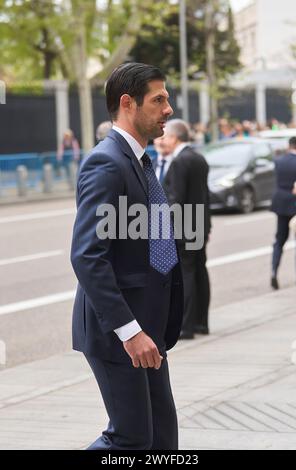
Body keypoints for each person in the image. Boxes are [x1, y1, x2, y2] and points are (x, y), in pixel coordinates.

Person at [70, 62, 183, 450]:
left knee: (163, 440)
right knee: (130, 439)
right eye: (159, 99)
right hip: (120, 333)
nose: (168, 109)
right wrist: (130, 332)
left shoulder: (139, 160)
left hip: (148, 329)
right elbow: (87, 256)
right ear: (127, 103)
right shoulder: (107, 162)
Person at [163, 119, 211, 339]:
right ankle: (202, 322)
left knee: (187, 274)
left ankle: (186, 325)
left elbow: (176, 199)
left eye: (165, 136)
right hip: (200, 223)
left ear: (174, 137)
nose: (163, 140)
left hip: (185, 226)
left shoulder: (180, 161)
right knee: (200, 271)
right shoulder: (199, 157)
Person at [271, 136, 296, 289]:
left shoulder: (279, 161)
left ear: (289, 146)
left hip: (281, 204)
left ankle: (274, 271)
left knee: (279, 241)